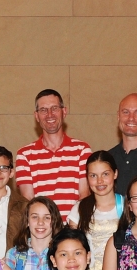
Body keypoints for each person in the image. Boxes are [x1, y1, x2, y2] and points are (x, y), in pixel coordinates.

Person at [14, 89, 92, 219]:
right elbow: (28, 202)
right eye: (43, 110)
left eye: (54, 108)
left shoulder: (82, 150)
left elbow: (84, 196)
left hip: (73, 231)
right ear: (37, 116)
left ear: (64, 112)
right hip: (41, 232)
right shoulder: (24, 155)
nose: (49, 114)